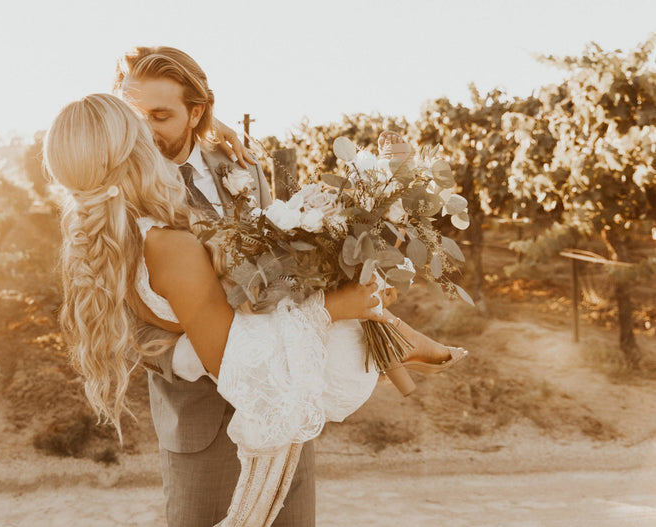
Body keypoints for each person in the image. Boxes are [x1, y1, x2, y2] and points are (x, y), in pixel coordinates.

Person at [44, 93, 467, 526]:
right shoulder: (169, 247)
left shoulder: (119, 236)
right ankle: (394, 340)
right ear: (134, 151)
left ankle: (395, 336)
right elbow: (236, 360)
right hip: (241, 407)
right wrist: (330, 308)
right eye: (142, 132)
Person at [111, 45, 315, 526]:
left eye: (161, 116)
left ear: (196, 111)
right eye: (135, 116)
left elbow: (280, 268)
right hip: (198, 419)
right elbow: (120, 312)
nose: (144, 130)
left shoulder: (243, 167)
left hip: (282, 404)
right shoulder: (115, 191)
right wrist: (191, 358)